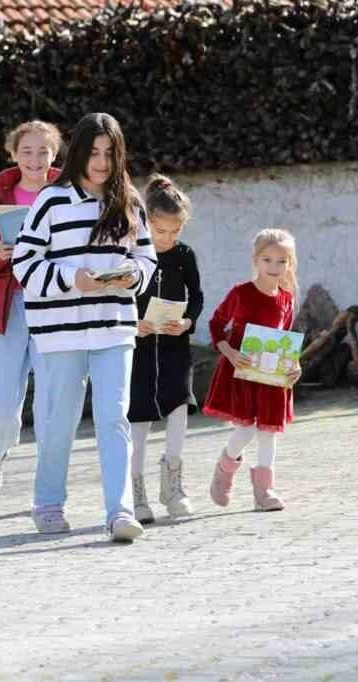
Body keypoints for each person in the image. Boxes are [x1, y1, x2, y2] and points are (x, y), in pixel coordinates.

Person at [11, 113, 157, 543]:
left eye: (109, 153)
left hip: (114, 327)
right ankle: (49, 502)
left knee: (114, 418)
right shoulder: (51, 201)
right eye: (93, 152)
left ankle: (120, 511)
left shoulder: (129, 201)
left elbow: (147, 258)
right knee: (61, 419)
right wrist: (71, 279)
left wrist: (134, 276)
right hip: (62, 331)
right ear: (78, 153)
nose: (101, 161)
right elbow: (24, 263)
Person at [0, 120, 62, 498]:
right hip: (6, 307)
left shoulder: (69, 193)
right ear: (13, 155)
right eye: (27, 151)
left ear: (55, 154)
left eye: (44, 151)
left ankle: (49, 476)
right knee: (3, 400)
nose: (35, 159)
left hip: (54, 305)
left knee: (53, 399)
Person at [203, 228, 300, 512]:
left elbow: (287, 337)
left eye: (281, 261)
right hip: (242, 373)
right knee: (245, 429)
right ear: (256, 260)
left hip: (271, 376)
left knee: (268, 432)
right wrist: (230, 353)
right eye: (267, 260)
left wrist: (295, 365)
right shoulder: (240, 293)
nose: (274, 267)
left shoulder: (287, 298)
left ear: (289, 264)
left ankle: (264, 491)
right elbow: (216, 324)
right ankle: (223, 471)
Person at [128, 176, 204, 523]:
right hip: (139, 348)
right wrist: (134, 323)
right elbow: (119, 295)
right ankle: (135, 491)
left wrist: (187, 321)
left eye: (175, 232)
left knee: (178, 409)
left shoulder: (185, 255)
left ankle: (173, 485)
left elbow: (197, 296)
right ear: (146, 221)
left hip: (175, 346)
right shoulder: (131, 251)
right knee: (139, 417)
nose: (168, 239)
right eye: (161, 231)